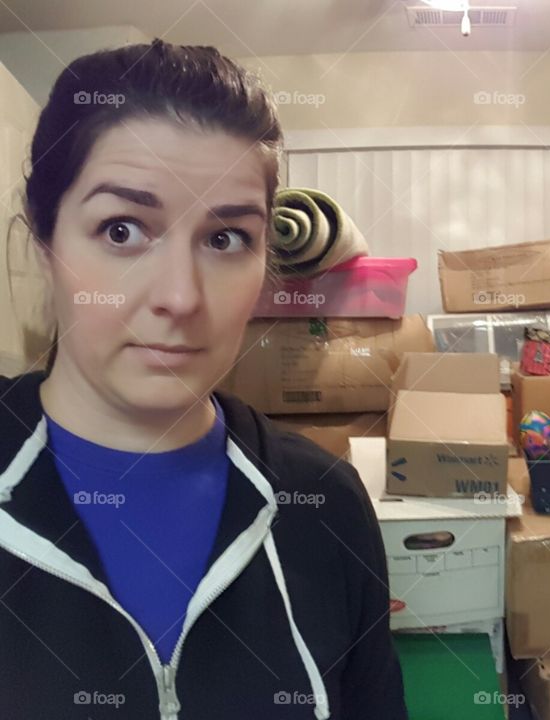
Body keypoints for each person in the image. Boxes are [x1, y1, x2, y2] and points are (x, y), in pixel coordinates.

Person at [0, 38, 407, 719]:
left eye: (225, 239)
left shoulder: (324, 505)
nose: (181, 298)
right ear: (44, 243)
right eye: (123, 229)